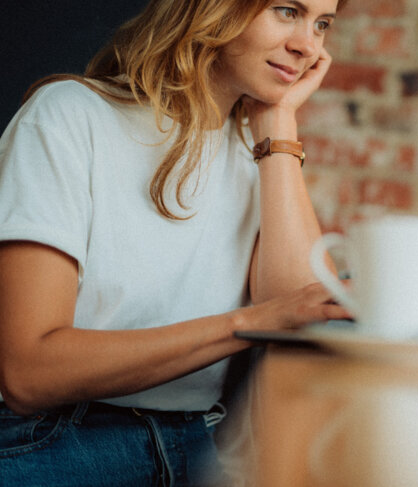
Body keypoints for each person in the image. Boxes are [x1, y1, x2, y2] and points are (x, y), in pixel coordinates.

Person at [0, 0, 350, 484]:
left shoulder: (259, 154)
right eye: (287, 11)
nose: (307, 46)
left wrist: (279, 127)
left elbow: (301, 314)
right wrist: (245, 323)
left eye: (323, 24)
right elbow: (27, 372)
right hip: (53, 444)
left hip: (194, 445)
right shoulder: (68, 118)